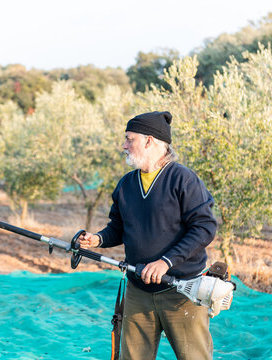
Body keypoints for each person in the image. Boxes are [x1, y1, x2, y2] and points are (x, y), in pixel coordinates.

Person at [78, 111, 217, 360]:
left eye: (130, 139)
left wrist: (166, 262)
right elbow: (118, 228)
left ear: (149, 141)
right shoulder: (126, 184)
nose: (124, 145)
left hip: (181, 292)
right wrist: (97, 239)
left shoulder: (183, 179)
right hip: (138, 291)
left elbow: (204, 228)